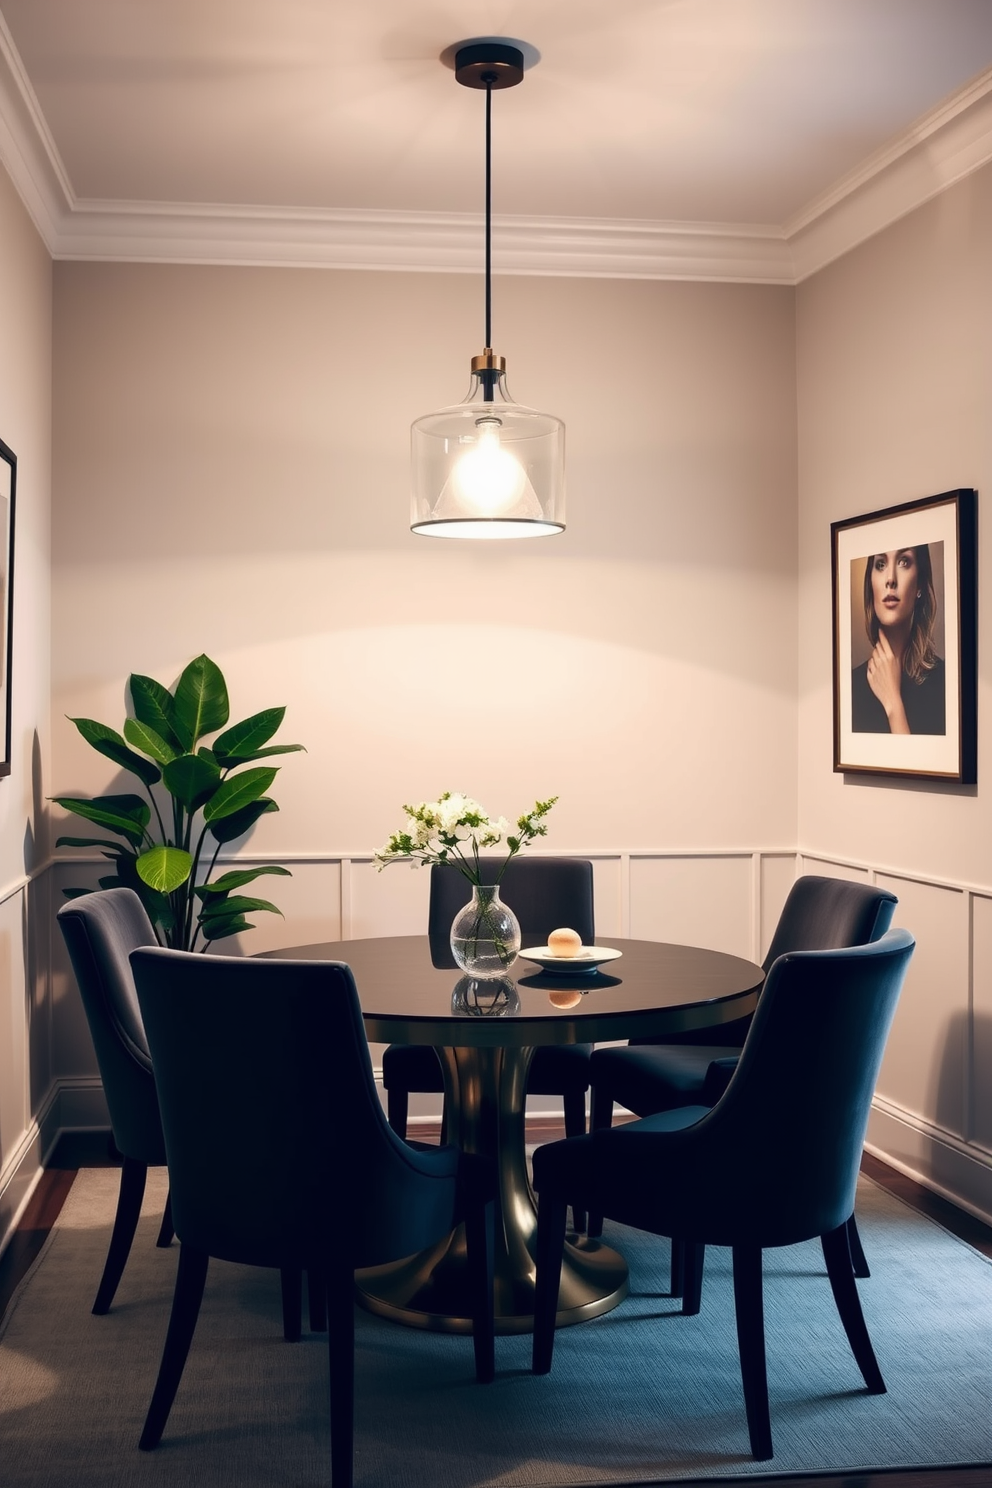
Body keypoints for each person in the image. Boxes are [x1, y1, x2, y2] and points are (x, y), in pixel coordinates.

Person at [851, 544, 945, 734]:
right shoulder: (849, 688)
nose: (890, 579)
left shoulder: (946, 685)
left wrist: (893, 703)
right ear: (871, 582)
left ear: (919, 584)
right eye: (880, 564)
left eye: (904, 562)